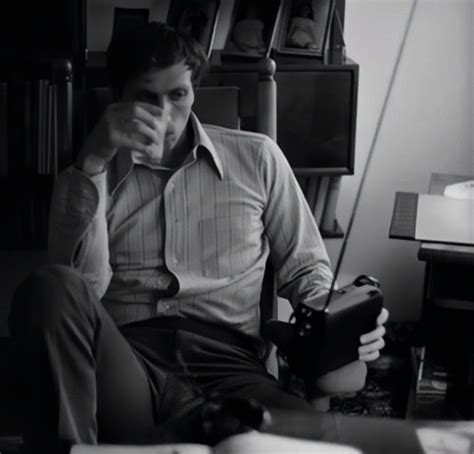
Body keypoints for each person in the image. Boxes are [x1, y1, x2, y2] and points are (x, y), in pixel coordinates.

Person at [8, 22, 388, 453]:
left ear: (194, 92)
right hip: (133, 369)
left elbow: (308, 272)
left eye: (178, 95)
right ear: (118, 97)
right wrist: (94, 163)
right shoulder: (89, 175)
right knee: (49, 286)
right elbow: (82, 292)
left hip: (233, 369)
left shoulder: (257, 158)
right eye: (146, 97)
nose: (165, 114)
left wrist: (340, 322)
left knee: (322, 446)